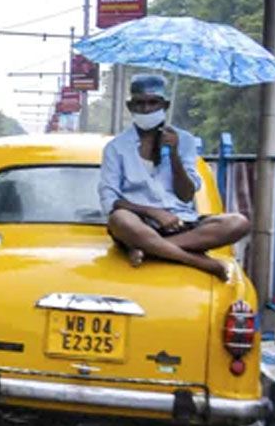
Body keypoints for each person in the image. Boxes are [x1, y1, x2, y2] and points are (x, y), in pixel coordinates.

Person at [98, 74, 250, 281]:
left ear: (165, 105)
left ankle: (150, 250)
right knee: (119, 218)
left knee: (238, 222)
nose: (146, 109)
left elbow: (186, 194)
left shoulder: (184, 140)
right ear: (130, 106)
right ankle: (196, 261)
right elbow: (110, 200)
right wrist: (154, 212)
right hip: (139, 226)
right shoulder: (116, 148)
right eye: (139, 103)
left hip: (182, 224)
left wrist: (175, 153)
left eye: (153, 103)